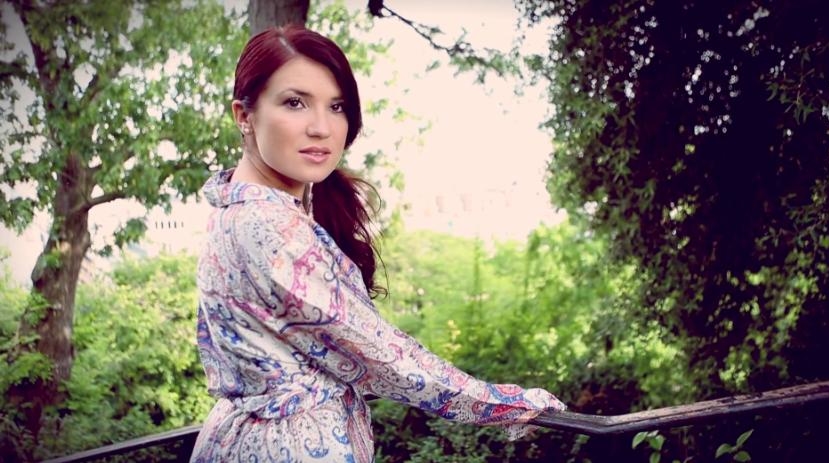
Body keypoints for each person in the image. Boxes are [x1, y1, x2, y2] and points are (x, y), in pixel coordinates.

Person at [190, 24, 564, 462]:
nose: (321, 127)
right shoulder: (268, 226)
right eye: (294, 103)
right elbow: (386, 357)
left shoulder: (230, 210)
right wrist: (507, 406)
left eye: (337, 107)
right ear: (244, 116)